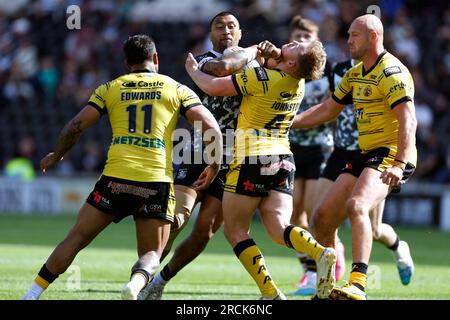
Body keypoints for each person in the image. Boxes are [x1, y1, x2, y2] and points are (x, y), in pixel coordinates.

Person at [22, 34, 223, 300]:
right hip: (156, 182)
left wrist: (58, 155)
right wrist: (214, 164)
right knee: (152, 252)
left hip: (114, 179)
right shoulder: (176, 89)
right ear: (155, 59)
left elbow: (75, 126)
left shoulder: (111, 88)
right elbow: (212, 128)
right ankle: (136, 284)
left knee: (76, 238)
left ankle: (32, 294)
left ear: (127, 62)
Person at [186, 38, 337, 300]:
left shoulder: (262, 78)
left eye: (297, 45)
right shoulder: (298, 82)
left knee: (234, 231)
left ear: (291, 62)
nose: (293, 41)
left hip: (251, 158)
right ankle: (319, 252)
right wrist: (272, 54)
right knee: (279, 229)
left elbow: (212, 86)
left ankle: (269, 292)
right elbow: (279, 61)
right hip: (283, 159)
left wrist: (192, 69)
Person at [291, 14, 417, 300]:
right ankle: (326, 285)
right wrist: (289, 122)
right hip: (365, 152)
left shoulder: (391, 72)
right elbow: (328, 109)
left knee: (357, 206)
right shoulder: (356, 72)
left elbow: (409, 121)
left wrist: (398, 164)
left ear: (373, 37)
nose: (348, 41)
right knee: (321, 218)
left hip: (390, 153)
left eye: (354, 35)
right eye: (347, 35)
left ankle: (358, 284)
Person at [139, 12, 260, 300]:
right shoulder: (205, 61)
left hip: (233, 157)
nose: (226, 31)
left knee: (204, 231)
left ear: (240, 33)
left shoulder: (255, 66)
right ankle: (142, 279)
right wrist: (255, 51)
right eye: (219, 27)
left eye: (232, 26)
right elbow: (222, 69)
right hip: (197, 151)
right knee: (177, 218)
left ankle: (161, 281)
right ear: (211, 34)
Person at [285, 15, 342, 297]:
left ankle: (330, 262)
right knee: (294, 215)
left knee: (314, 214)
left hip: (321, 146)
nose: (301, 41)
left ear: (316, 41)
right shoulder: (287, 68)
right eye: (297, 36)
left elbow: (335, 107)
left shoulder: (329, 69)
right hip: (293, 148)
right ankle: (310, 269)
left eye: (307, 37)